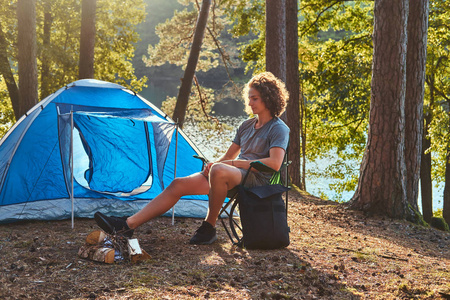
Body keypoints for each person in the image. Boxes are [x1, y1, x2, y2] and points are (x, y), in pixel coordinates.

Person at [94, 71, 290, 245]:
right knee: (179, 183)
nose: (249, 103)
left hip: (258, 182)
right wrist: (213, 165)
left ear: (268, 98)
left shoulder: (278, 128)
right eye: (249, 98)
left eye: (254, 98)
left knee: (220, 170)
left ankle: (209, 227)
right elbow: (229, 156)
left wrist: (227, 165)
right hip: (236, 175)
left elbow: (274, 164)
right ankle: (127, 226)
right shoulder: (246, 125)